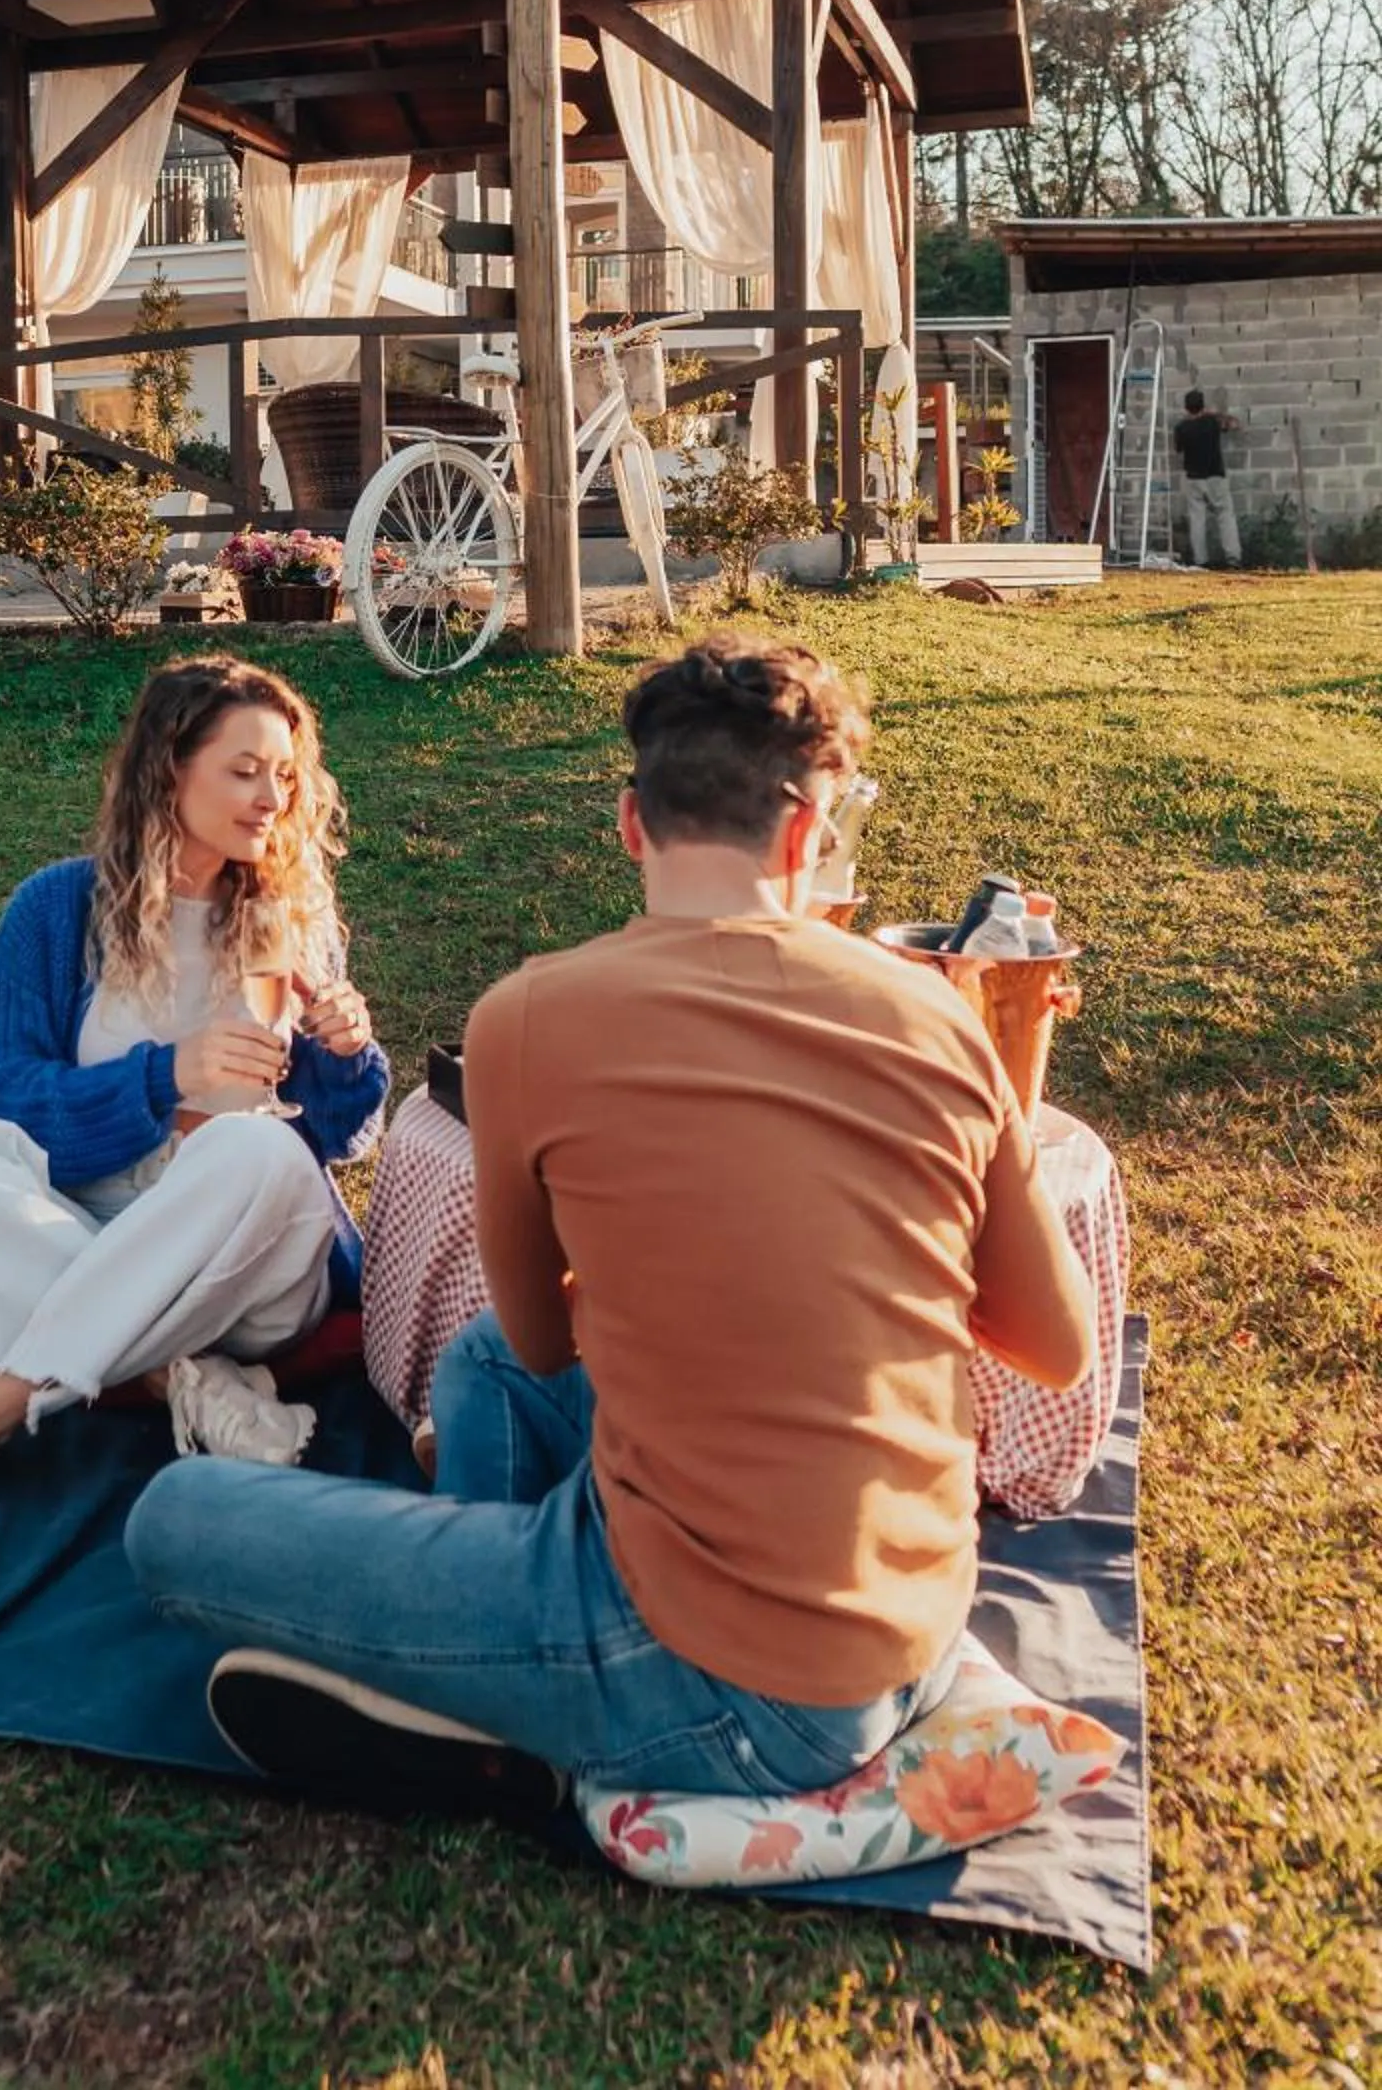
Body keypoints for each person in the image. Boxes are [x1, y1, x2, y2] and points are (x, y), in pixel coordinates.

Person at [124, 634, 1095, 1820]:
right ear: (804, 840)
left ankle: (505, 1704)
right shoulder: (938, 1018)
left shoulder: (535, 1017)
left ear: (630, 824)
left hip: (717, 1683)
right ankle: (482, 1657)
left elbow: (548, 1333)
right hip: (912, 1622)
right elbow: (1055, 1346)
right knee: (475, 1364)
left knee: (172, 1518)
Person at [0, 657, 388, 1516]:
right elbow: (2, 1102)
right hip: (80, 1226)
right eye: (245, 771)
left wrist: (345, 1051)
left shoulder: (288, 917)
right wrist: (166, 1075)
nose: (272, 798)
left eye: (286, 776)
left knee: (260, 1147)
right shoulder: (58, 910)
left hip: (238, 1268)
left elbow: (334, 1135)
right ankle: (178, 1378)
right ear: (170, 768)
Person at [1172, 388, 1244, 568]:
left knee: (1197, 519)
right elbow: (1234, 424)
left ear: (1187, 408)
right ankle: (1233, 557)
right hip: (1215, 476)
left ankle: (1201, 560)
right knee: (1225, 515)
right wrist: (1215, 413)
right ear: (1202, 406)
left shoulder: (1181, 428)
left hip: (1193, 478)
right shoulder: (1212, 422)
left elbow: (1178, 449)